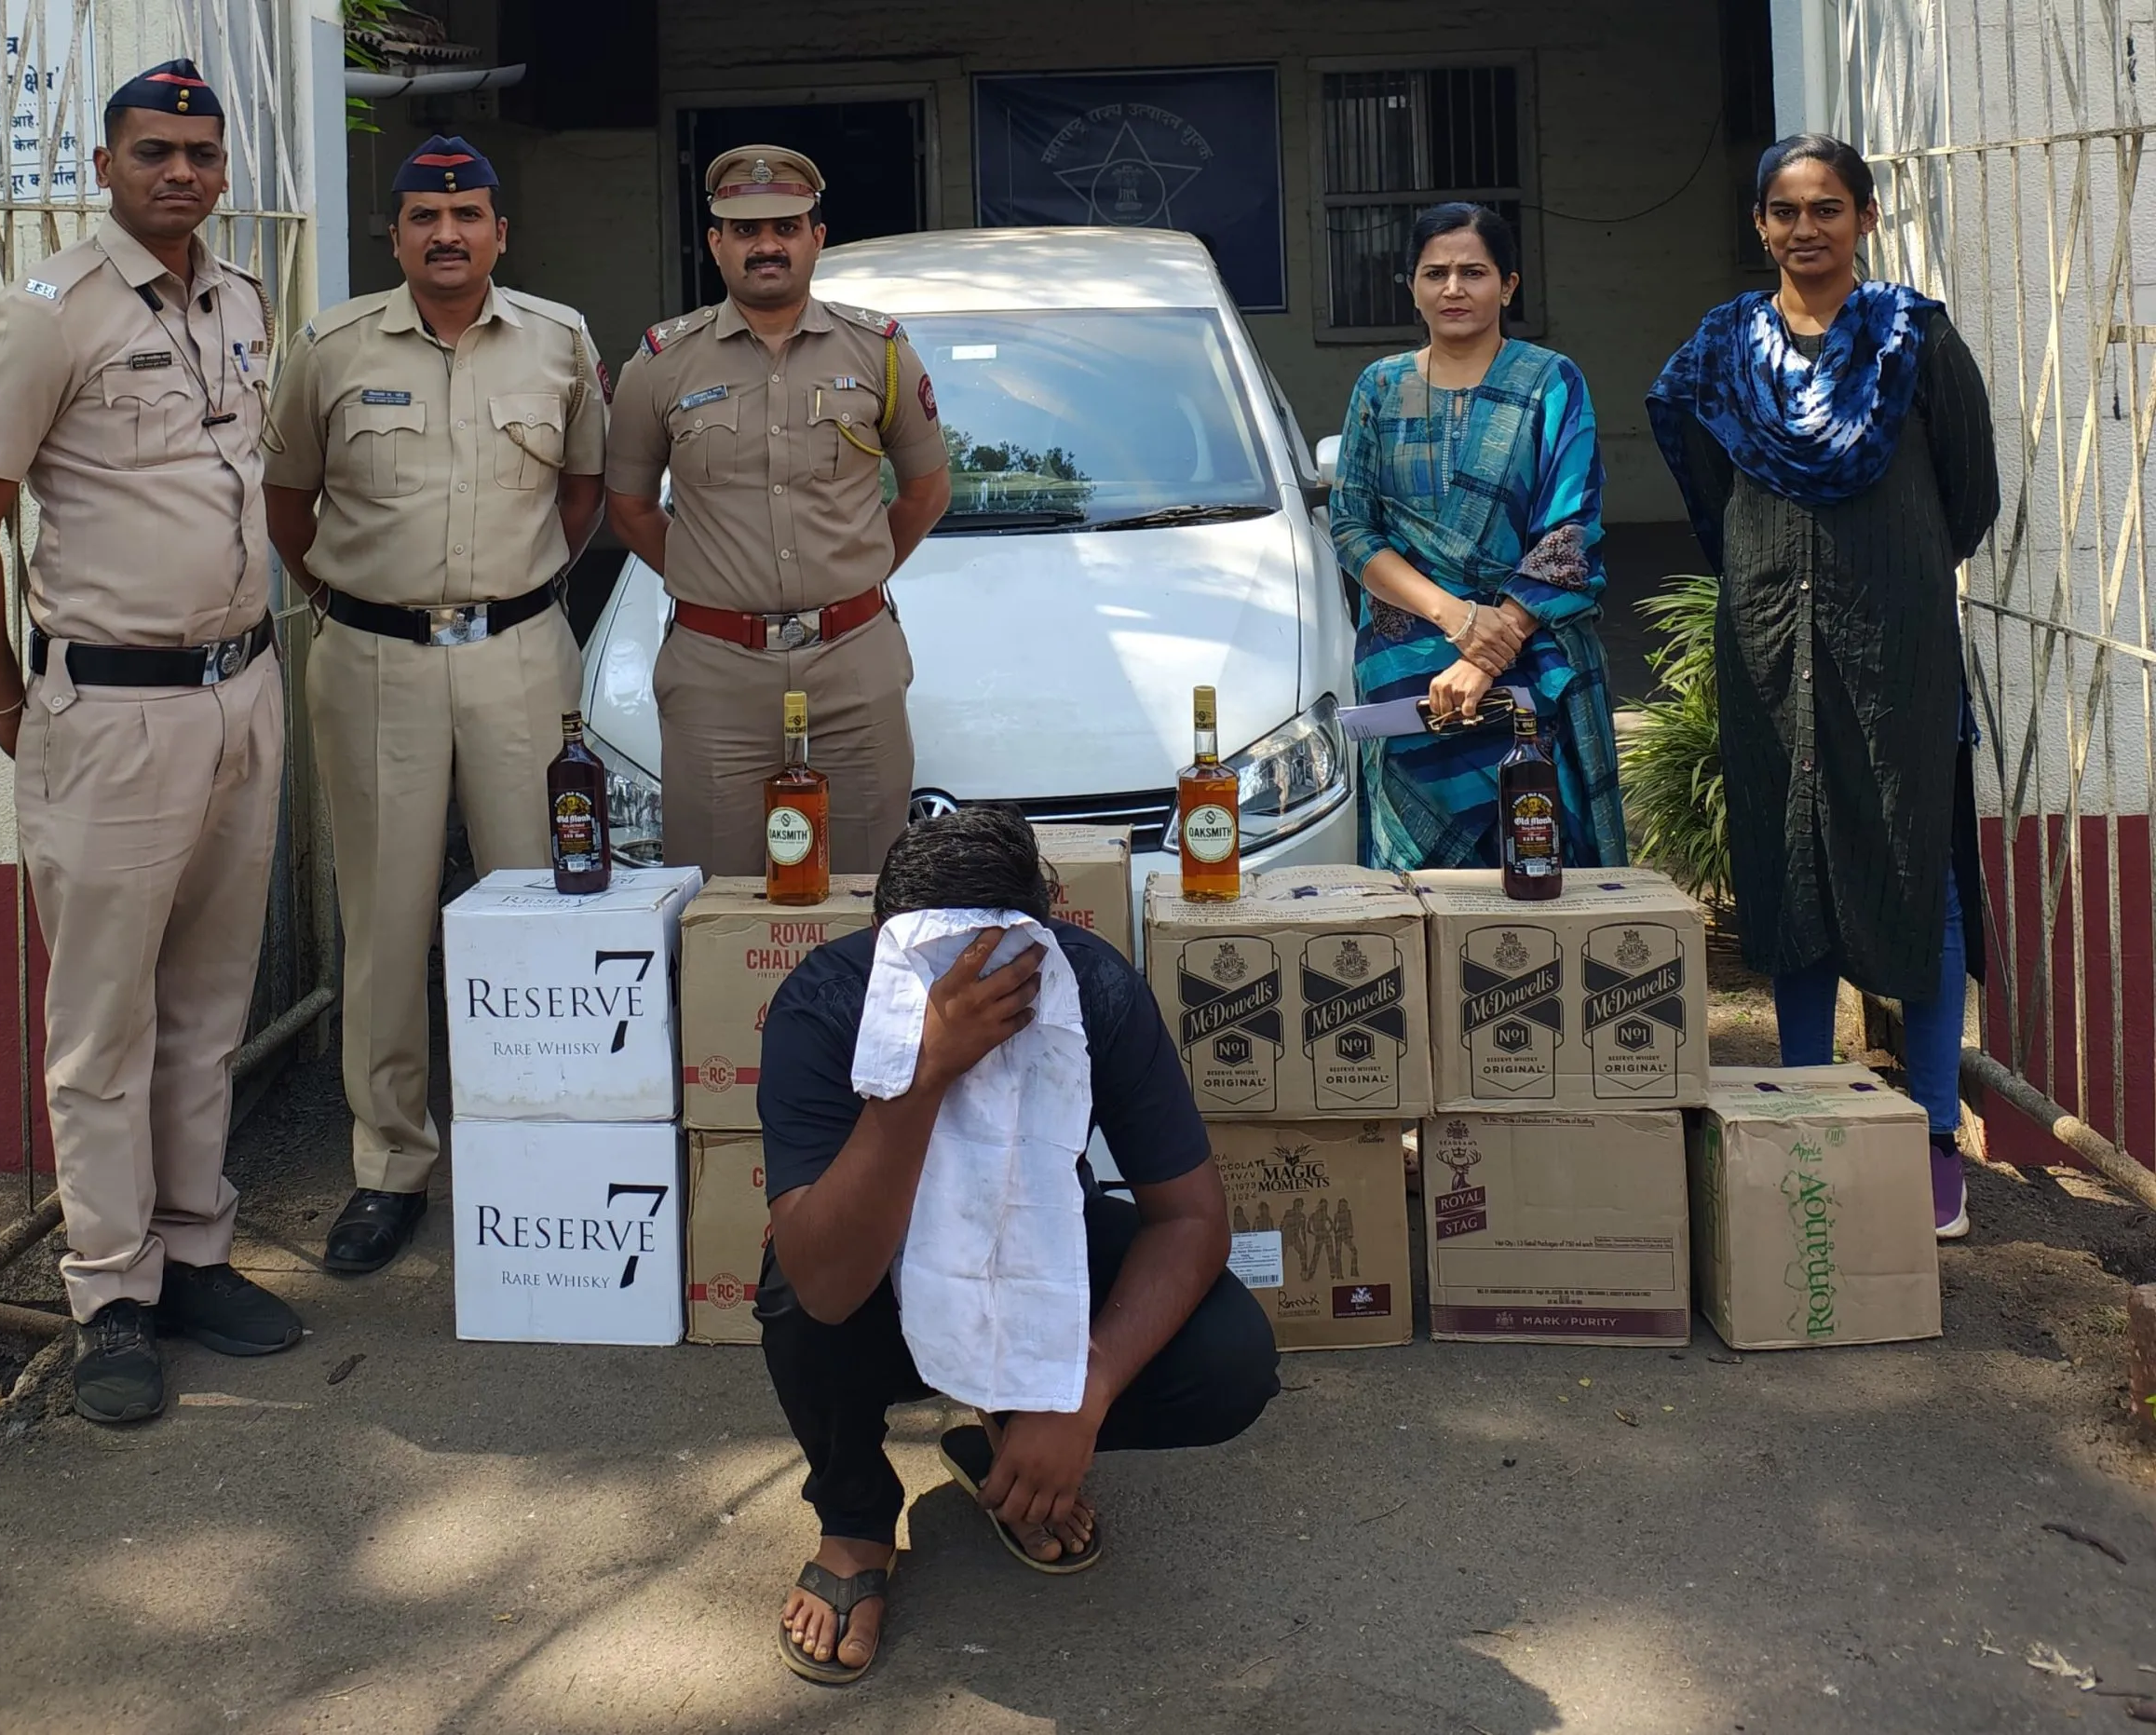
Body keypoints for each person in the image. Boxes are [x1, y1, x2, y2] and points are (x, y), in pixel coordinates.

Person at [0, 60, 301, 1425]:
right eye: (153, 151)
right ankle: (109, 1294)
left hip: (241, 689)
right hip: (112, 709)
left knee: (208, 1002)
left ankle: (193, 1251)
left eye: (201, 153)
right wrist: (12, 704)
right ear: (104, 164)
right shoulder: (47, 314)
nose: (181, 172)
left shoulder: (241, 299)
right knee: (102, 1023)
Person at [755, 807, 1281, 1684]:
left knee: (1230, 1358)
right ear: (882, 942)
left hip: (1035, 1254)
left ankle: (1014, 1426)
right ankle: (854, 1519)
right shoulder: (825, 1001)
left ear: (1045, 936)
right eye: (932, 960)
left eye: (999, 960)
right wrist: (925, 1071)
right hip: (876, 1284)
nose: (972, 986)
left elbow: (1191, 1218)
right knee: (793, 1290)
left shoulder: (1094, 987)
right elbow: (826, 1282)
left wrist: (1081, 1388)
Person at [263, 136, 608, 1276]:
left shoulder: (559, 339)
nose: (445, 233)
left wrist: (520, 594)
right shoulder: (330, 347)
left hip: (520, 656)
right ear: (397, 235)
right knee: (385, 917)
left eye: (466, 215)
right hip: (376, 661)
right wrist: (349, 599)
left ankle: (542, 1143)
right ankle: (391, 1166)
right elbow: (287, 499)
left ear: (501, 233)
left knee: (541, 903)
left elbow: (583, 490)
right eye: (423, 215)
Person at [1649, 134, 1998, 1240]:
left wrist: (1884, 565)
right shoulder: (1722, 349)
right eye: (1784, 210)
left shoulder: (1913, 339)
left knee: (1914, 867)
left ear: (1864, 218)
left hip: (1895, 644)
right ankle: (1802, 1117)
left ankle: (1932, 1138)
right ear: (1759, 225)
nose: (1805, 229)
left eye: (1827, 208)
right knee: (1789, 866)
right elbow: (1705, 480)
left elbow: (1969, 494)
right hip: (1767, 641)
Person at [603, 145, 952, 879]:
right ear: (715, 244)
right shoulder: (661, 363)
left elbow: (925, 491)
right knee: (718, 896)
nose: (767, 245)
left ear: (816, 238)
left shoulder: (881, 352)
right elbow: (628, 508)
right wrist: (715, 582)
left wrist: (851, 573)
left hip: (853, 662)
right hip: (716, 675)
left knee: (867, 887)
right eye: (746, 230)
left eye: (786, 227)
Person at [1328, 203, 1629, 871]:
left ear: (1509, 285)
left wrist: (1489, 651)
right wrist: (1457, 619)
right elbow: (1351, 526)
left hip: (1527, 657)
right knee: (1422, 885)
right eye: (1435, 273)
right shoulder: (1381, 388)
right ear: (1412, 286)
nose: (1453, 289)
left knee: (1535, 856)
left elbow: (1571, 528)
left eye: (1474, 272)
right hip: (1407, 670)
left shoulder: (1548, 381)